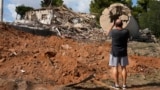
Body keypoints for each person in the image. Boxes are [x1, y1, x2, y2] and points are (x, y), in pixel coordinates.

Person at [105, 19, 130, 90]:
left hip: (114, 52)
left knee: (115, 67)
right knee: (123, 68)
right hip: (123, 52)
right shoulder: (126, 31)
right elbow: (127, 35)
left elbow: (107, 33)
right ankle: (124, 85)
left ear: (115, 25)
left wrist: (112, 24)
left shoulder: (113, 32)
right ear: (122, 24)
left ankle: (117, 85)